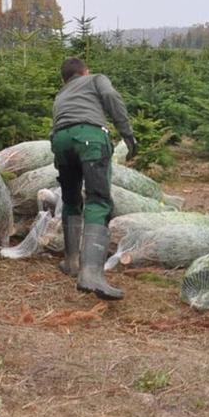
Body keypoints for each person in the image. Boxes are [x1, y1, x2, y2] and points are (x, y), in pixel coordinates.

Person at [50, 57, 137, 300]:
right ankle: (90, 273)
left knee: (70, 199)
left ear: (64, 78)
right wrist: (127, 134)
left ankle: (71, 262)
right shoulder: (96, 79)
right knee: (98, 200)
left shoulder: (61, 94)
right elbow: (111, 97)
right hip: (90, 138)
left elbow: (56, 124)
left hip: (60, 141)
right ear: (85, 72)